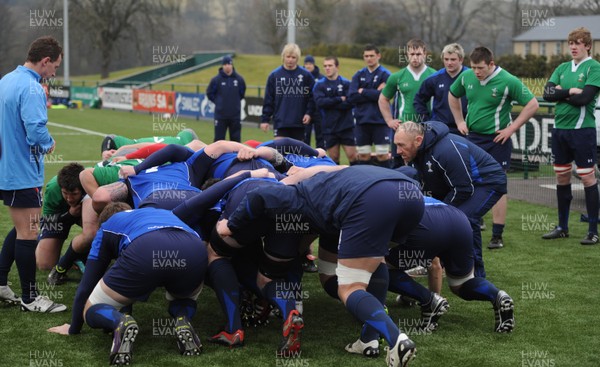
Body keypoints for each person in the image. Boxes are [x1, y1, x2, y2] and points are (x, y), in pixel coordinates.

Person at [218, 165, 425, 366]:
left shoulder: (296, 193)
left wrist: (231, 225)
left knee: (350, 287)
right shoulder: (327, 183)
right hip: (412, 196)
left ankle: (397, 340)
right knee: (375, 261)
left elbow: (258, 196)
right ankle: (368, 339)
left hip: (369, 200)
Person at [48, 203, 208, 364]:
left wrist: (73, 328)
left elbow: (86, 285)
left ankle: (120, 321)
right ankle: (183, 319)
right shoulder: (158, 212)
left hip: (147, 248)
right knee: (184, 296)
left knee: (89, 308)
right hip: (194, 248)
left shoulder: (107, 226)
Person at [448, 46, 539, 249]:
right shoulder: (466, 78)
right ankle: (472, 222)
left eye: (480, 68)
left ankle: (497, 235)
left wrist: (512, 128)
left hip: (499, 140)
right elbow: (452, 95)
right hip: (473, 138)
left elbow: (533, 104)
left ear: (491, 64)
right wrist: (459, 121)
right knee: (469, 181)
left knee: (498, 186)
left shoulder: (508, 80)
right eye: (473, 68)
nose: (476, 72)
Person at [0, 36, 66, 312]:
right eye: (55, 67)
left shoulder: (6, 80)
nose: (55, 73)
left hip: (7, 168)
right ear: (45, 61)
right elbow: (35, 131)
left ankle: (1, 284)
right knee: (29, 232)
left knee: (20, 227)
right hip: (22, 171)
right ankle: (30, 298)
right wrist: (49, 143)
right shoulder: (31, 87)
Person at [394, 121, 507, 279]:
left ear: (418, 140)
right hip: (458, 185)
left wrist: (441, 213)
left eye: (401, 145)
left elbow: (463, 189)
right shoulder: (415, 148)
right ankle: (435, 265)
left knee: (464, 219)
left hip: (487, 182)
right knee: (433, 220)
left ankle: (475, 273)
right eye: (396, 145)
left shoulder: (446, 150)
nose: (398, 151)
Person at [541, 27, 600, 245]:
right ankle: (562, 227)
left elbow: (583, 99)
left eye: (578, 43)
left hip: (582, 131)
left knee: (587, 177)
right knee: (562, 176)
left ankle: (593, 230)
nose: (573, 47)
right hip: (560, 130)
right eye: (571, 43)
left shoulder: (594, 68)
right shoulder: (563, 67)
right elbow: (547, 94)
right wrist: (569, 92)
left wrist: (561, 93)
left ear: (587, 45)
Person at [36, 163, 86, 276]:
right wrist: (69, 215)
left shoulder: (90, 181)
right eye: (65, 193)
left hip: (85, 213)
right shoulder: (53, 188)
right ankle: (39, 240)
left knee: (94, 229)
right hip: (60, 216)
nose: (69, 198)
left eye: (74, 194)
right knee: (45, 265)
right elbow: (48, 220)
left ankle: (79, 255)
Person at [261, 44, 315, 141]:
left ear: (297, 58)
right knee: (280, 154)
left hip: (299, 123)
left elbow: (312, 97)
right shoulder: (274, 76)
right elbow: (269, 99)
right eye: (288, 57)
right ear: (283, 57)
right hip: (281, 123)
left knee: (297, 154)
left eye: (293, 57)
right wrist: (265, 120)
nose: (290, 60)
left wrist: (309, 113)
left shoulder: (306, 76)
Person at [349, 44, 391, 167]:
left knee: (382, 155)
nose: (369, 58)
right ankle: (365, 183)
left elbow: (386, 96)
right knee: (363, 155)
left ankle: (386, 182)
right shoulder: (358, 75)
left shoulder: (385, 74)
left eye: (372, 55)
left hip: (380, 121)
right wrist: (376, 92)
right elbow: (352, 97)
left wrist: (363, 91)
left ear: (378, 56)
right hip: (362, 121)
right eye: (366, 56)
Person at [414, 43, 468, 134]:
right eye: (446, 59)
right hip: (440, 129)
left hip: (465, 128)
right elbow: (418, 100)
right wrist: (427, 121)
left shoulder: (470, 77)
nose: (449, 63)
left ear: (461, 60)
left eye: (453, 59)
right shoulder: (434, 79)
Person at [313, 56, 357, 165]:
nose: (327, 68)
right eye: (325, 66)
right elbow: (320, 103)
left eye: (330, 65)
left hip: (346, 126)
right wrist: (339, 99)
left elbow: (351, 102)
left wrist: (330, 103)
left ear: (337, 67)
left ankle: (356, 179)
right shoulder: (319, 85)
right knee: (334, 158)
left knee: (353, 156)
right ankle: (337, 181)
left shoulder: (346, 83)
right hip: (329, 127)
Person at [206, 56, 246, 142]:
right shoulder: (216, 80)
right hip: (220, 116)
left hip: (235, 116)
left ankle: (236, 156)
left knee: (236, 141)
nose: (227, 66)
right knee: (219, 141)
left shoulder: (239, 79)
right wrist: (218, 102)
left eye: (229, 64)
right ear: (222, 66)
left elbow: (242, 93)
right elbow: (209, 93)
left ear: (232, 65)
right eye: (225, 64)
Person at [302, 55, 324, 148]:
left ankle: (321, 158)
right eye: (306, 64)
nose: (308, 66)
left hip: (318, 111)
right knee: (305, 136)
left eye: (310, 64)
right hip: (305, 111)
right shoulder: (300, 76)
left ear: (314, 65)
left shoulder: (320, 78)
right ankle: (306, 158)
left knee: (320, 136)